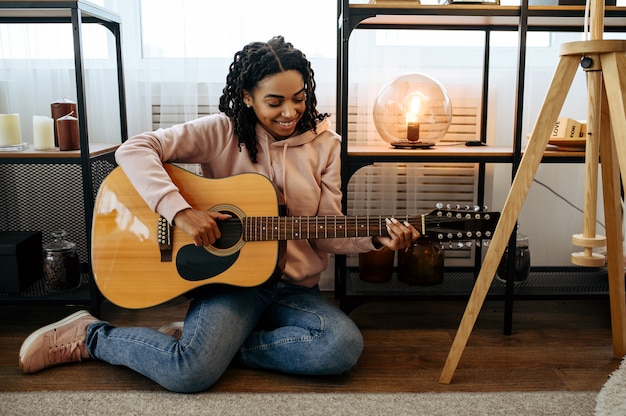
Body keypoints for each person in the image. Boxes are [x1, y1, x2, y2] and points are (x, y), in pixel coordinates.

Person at [19, 36, 419, 393]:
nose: (290, 112)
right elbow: (133, 150)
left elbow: (326, 233)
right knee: (188, 374)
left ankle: (214, 347)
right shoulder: (222, 131)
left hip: (294, 289)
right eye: (274, 102)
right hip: (230, 283)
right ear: (247, 96)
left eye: (298, 97)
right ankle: (90, 336)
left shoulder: (326, 145)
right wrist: (180, 212)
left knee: (340, 347)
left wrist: (375, 239)